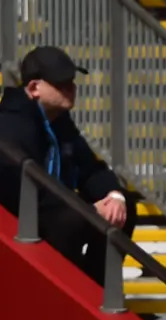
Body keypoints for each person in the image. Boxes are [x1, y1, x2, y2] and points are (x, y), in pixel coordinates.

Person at [0, 46, 135, 285]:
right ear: (34, 88)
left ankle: (97, 287)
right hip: (23, 222)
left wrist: (114, 196)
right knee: (74, 219)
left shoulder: (60, 121)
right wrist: (90, 211)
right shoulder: (11, 124)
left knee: (123, 208)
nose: (72, 89)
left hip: (57, 211)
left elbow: (90, 169)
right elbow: (26, 193)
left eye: (72, 82)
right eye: (61, 84)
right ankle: (67, 287)